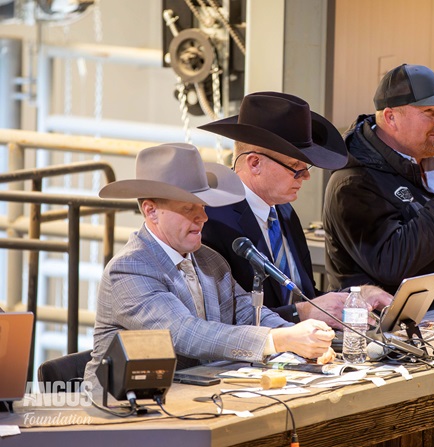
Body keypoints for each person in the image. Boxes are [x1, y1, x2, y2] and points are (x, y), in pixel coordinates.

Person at [83, 143, 335, 388]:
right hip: (118, 410)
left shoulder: (209, 260)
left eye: (203, 206)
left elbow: (246, 311)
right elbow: (185, 333)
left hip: (186, 399)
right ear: (151, 211)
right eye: (188, 207)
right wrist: (281, 339)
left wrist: (303, 337)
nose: (202, 217)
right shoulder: (129, 269)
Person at [198, 91, 392, 330]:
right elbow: (222, 319)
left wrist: (355, 297)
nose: (307, 176)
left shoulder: (284, 212)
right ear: (255, 163)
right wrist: (301, 313)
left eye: (305, 166)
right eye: (295, 167)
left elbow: (302, 297)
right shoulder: (212, 220)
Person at [323, 64, 434, 309]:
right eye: (430, 111)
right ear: (390, 117)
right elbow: (392, 263)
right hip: (388, 333)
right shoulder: (353, 183)